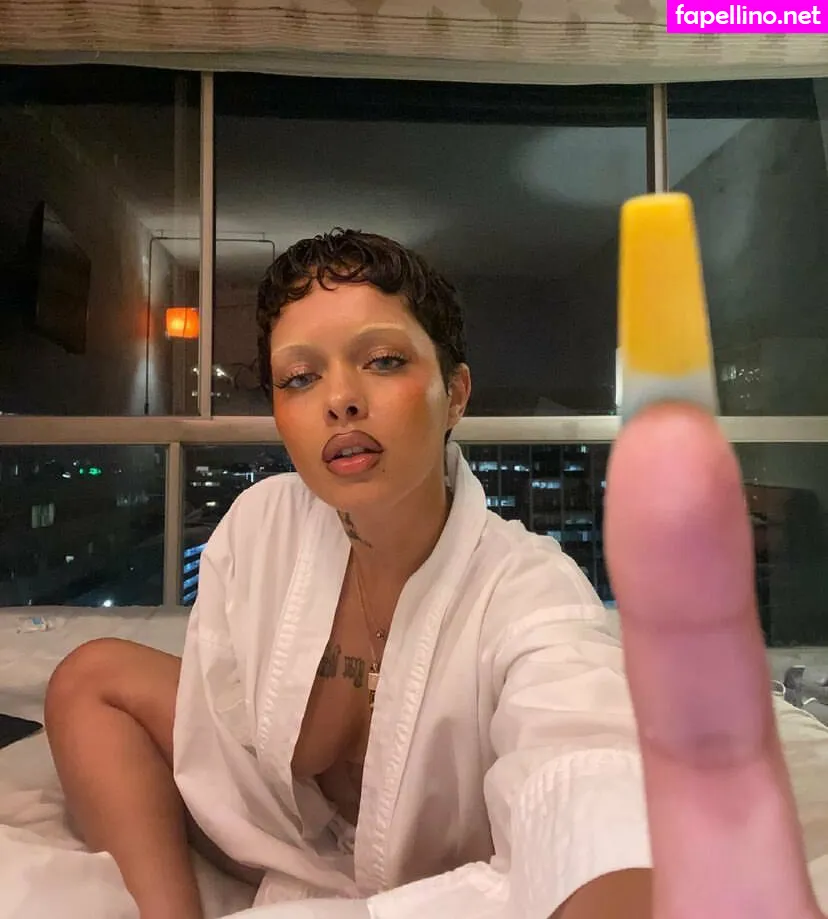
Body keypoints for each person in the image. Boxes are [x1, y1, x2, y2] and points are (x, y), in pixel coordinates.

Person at [43, 228, 825, 919]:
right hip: (277, 841)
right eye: (300, 377)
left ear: (454, 394)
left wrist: (611, 870)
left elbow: (586, 774)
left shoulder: (527, 589)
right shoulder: (260, 528)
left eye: (382, 361)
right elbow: (222, 723)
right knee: (88, 676)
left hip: (426, 884)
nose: (341, 400)